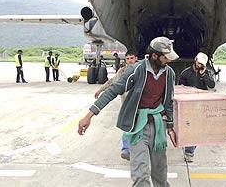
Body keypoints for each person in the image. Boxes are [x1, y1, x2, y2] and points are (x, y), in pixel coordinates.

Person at [78, 36, 179, 186]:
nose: (168, 60)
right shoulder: (136, 70)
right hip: (138, 127)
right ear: (154, 56)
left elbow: (169, 102)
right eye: (165, 57)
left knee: (160, 174)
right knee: (141, 176)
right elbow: (113, 90)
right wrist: (89, 115)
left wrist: (170, 127)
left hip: (158, 126)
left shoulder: (169, 73)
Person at [94, 49, 138, 161]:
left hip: (139, 105)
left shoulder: (141, 70)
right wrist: (100, 90)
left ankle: (135, 149)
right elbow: (112, 82)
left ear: (136, 59)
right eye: (127, 59)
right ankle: (126, 149)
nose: (130, 61)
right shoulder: (122, 72)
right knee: (128, 127)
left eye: (132, 58)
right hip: (126, 105)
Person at [178, 51, 215, 162]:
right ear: (195, 60)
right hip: (188, 103)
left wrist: (203, 75)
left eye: (202, 64)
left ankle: (190, 151)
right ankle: (188, 146)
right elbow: (180, 86)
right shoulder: (186, 73)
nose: (200, 66)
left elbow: (212, 85)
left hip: (200, 104)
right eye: (199, 63)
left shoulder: (206, 73)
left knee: (196, 128)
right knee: (188, 127)